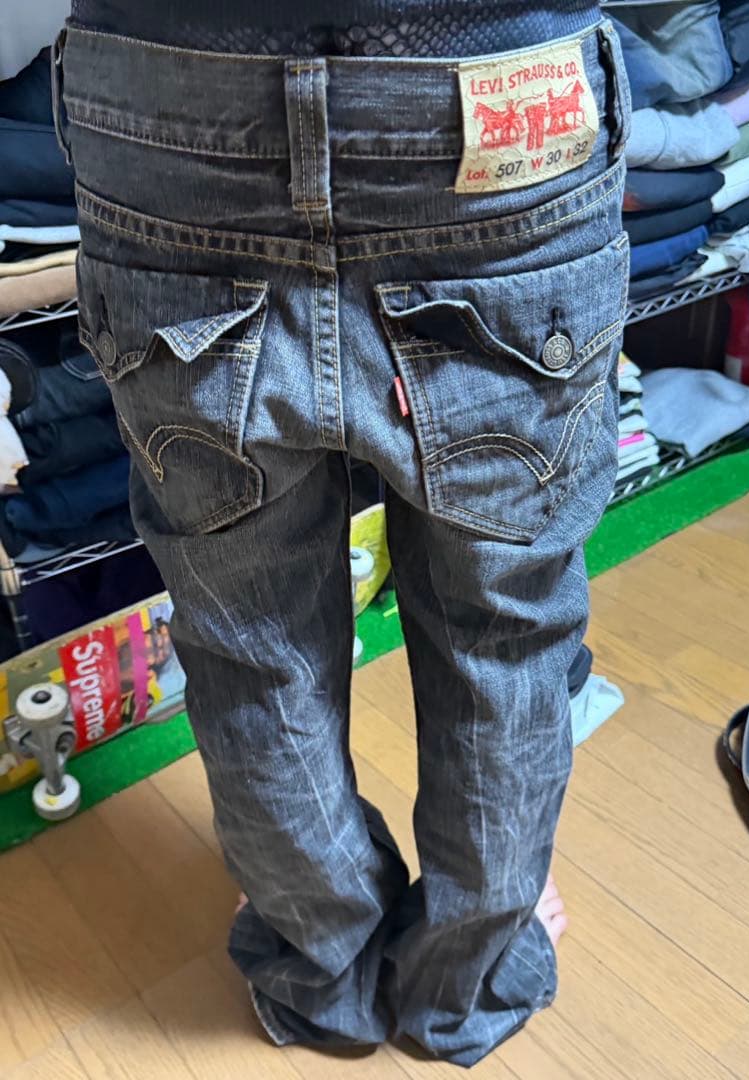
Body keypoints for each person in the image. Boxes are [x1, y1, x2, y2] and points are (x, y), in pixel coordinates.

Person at [58, 1, 630, 1066]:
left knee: (250, 640)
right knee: (502, 635)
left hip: (170, 101)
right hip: (492, 93)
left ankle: (323, 965)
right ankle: (469, 975)